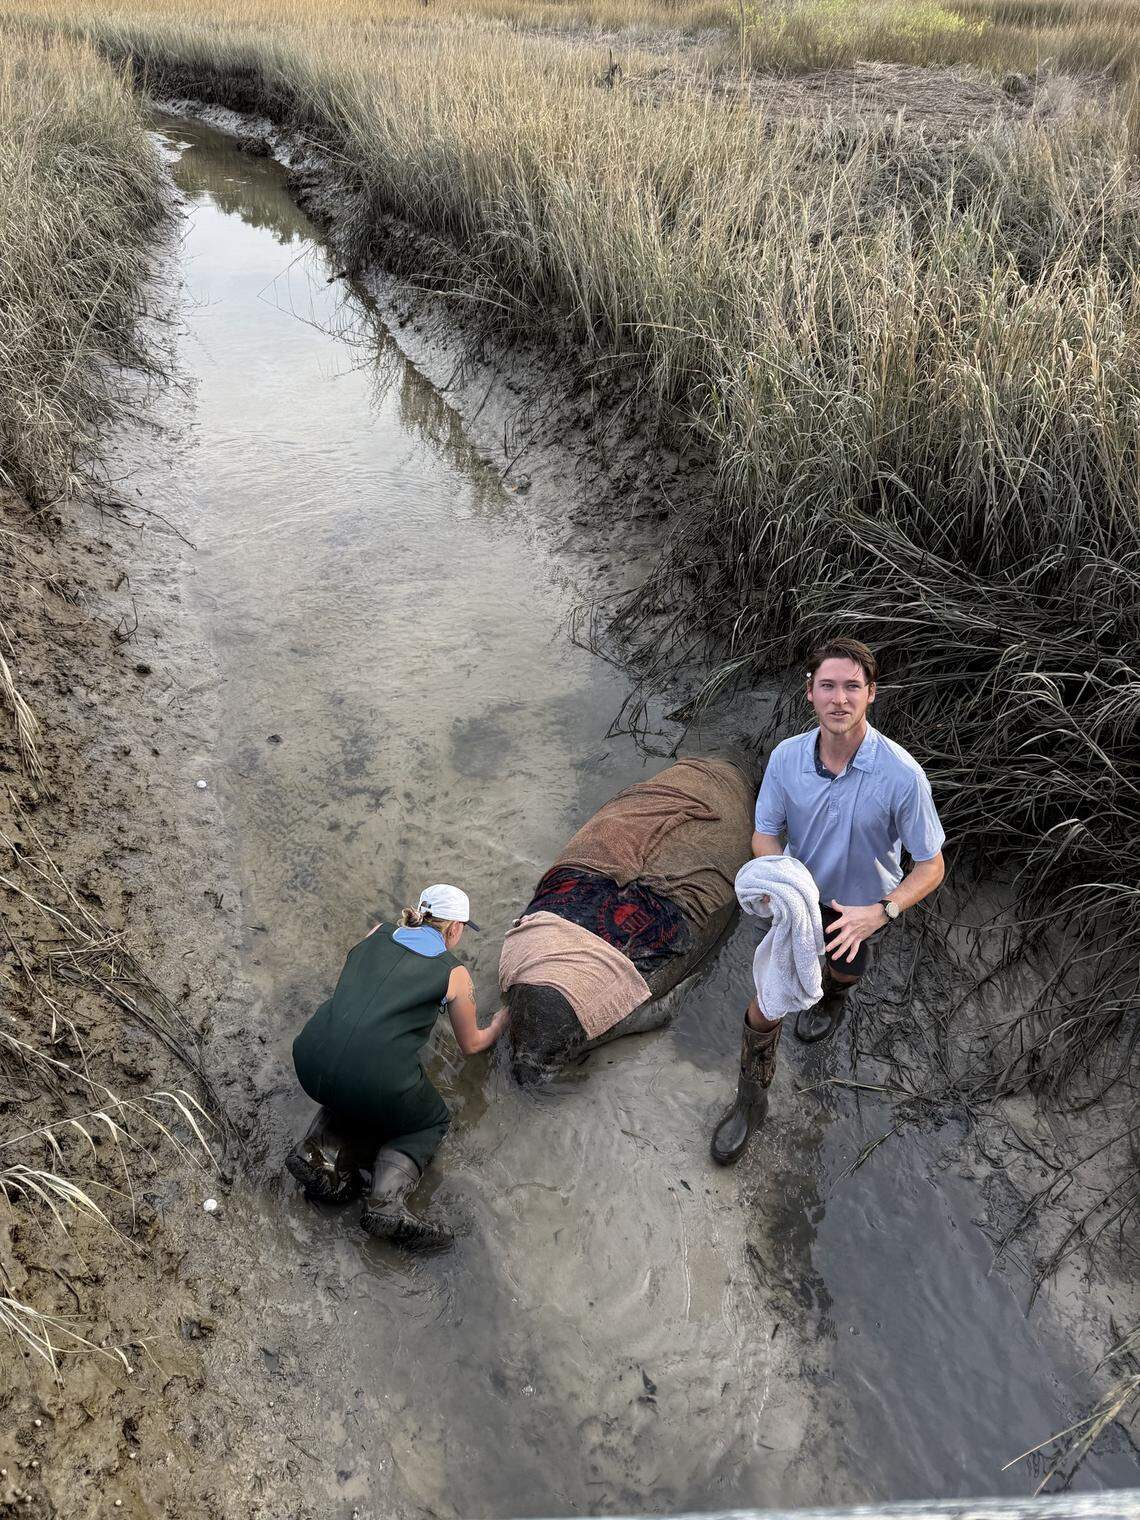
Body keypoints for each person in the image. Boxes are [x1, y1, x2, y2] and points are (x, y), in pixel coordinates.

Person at [711, 638, 946, 1165]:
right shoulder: (786, 759)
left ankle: (834, 999)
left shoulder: (902, 776)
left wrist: (881, 912)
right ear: (811, 694)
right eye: (828, 686)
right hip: (798, 900)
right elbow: (766, 833)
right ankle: (750, 1103)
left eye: (852, 687)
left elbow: (931, 865)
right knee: (767, 1005)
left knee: (846, 968)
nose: (840, 698)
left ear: (871, 695)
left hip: (861, 910)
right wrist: (778, 886)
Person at [287, 883, 508, 1248]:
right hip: (370, 1077)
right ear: (454, 928)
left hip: (310, 1056)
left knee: (353, 1078)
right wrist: (501, 1021)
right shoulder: (454, 974)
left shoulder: (378, 932)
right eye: (464, 928)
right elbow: (472, 1044)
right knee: (429, 1119)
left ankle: (316, 1152)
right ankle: (386, 1202)